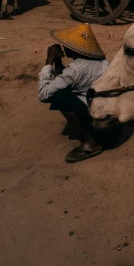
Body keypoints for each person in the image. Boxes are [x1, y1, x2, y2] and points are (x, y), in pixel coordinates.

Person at [38, 22, 113, 164]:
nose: (64, 47)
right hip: (113, 126)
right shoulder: (102, 60)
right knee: (64, 90)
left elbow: (43, 95)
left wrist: (48, 62)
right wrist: (59, 62)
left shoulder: (74, 70)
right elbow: (68, 80)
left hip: (103, 133)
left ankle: (91, 143)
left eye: (68, 45)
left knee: (60, 97)